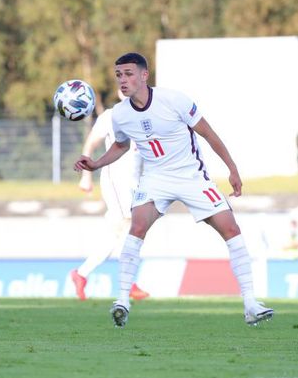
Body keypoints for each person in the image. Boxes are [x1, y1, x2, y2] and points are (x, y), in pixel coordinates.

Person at [74, 52, 274, 327]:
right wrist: (95, 164)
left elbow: (208, 133)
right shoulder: (119, 115)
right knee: (136, 227)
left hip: (191, 176)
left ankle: (250, 303)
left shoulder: (174, 100)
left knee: (230, 229)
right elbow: (120, 146)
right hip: (155, 178)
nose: (123, 79)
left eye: (129, 73)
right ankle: (122, 300)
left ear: (145, 75)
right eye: (119, 74)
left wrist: (232, 168)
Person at [72, 99, 149, 301]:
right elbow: (91, 142)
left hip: (135, 184)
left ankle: (81, 274)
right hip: (116, 181)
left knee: (117, 235)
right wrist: (86, 176)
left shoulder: (147, 115)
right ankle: (128, 283)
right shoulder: (110, 115)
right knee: (132, 227)